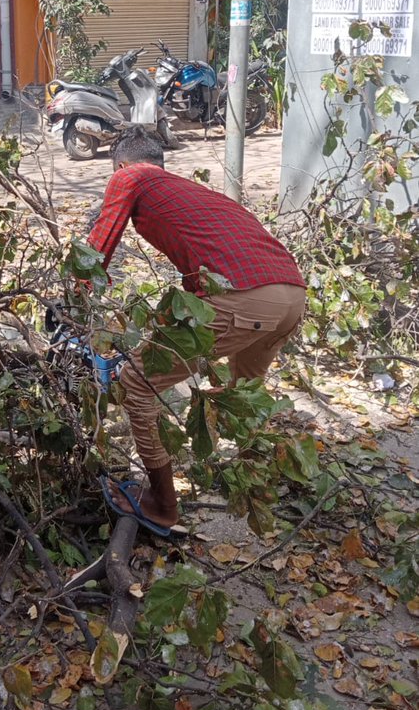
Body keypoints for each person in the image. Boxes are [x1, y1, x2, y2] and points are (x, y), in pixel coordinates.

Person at [87, 125, 306, 538]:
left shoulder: (130, 176)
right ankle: (258, 480)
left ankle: (163, 506)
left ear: (120, 164)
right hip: (292, 294)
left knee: (137, 382)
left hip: (245, 297)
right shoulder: (197, 194)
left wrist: (70, 301)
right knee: (241, 392)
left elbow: (94, 255)